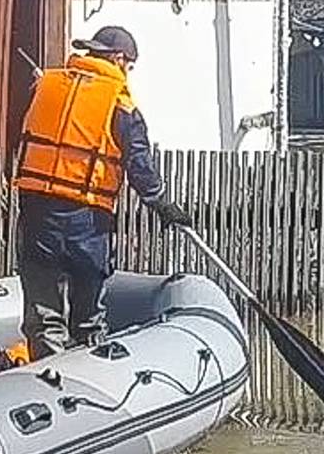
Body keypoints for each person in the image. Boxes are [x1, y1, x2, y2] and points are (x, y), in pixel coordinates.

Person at [13, 26, 191, 360]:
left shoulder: (44, 85)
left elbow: (22, 135)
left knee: (43, 313)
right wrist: (162, 203)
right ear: (119, 59)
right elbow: (138, 163)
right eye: (130, 65)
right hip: (88, 219)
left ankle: (46, 372)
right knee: (88, 317)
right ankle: (87, 374)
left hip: (37, 211)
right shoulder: (120, 105)